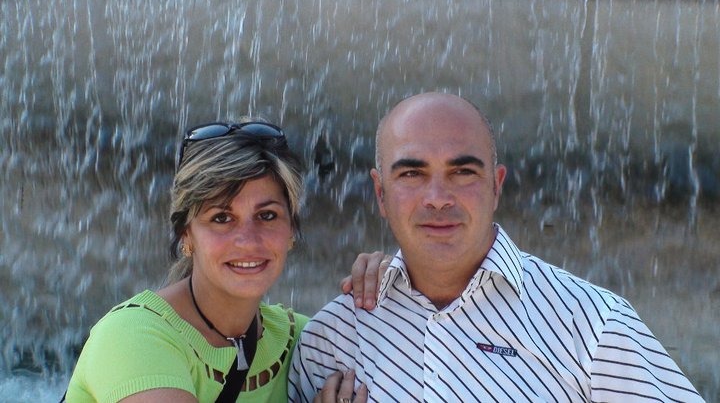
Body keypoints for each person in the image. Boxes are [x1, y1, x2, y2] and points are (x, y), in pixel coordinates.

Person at [288, 92, 703, 402]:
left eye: (463, 172)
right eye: (412, 174)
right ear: (380, 193)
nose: (438, 198)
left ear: (496, 186)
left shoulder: (593, 324)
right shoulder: (331, 340)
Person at [65, 119, 378, 402]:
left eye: (267, 215)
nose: (248, 240)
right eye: (222, 218)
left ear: (291, 230)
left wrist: (392, 284)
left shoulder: (306, 341)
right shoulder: (133, 335)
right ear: (186, 235)